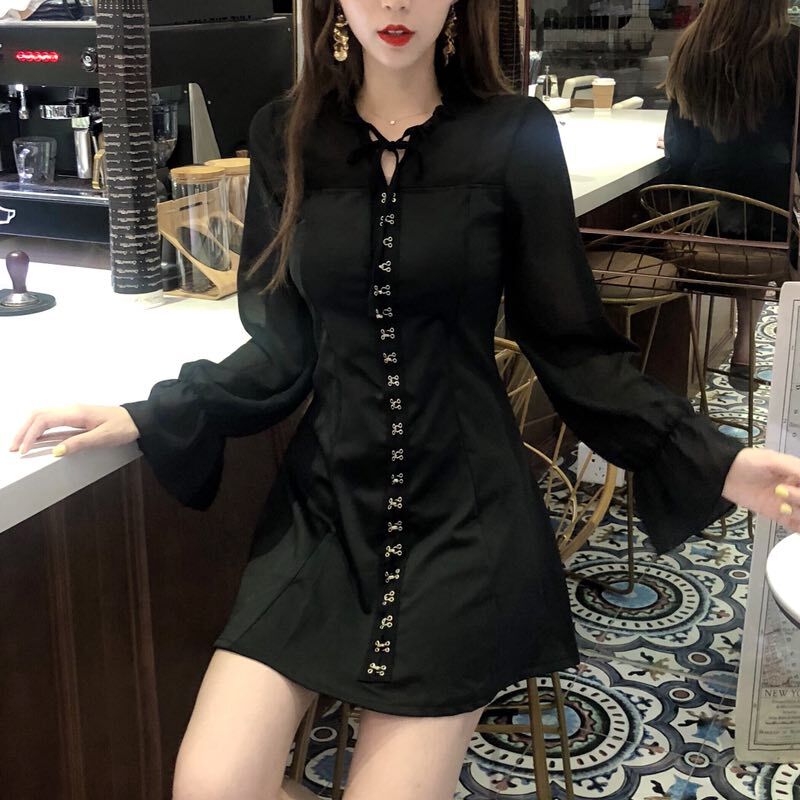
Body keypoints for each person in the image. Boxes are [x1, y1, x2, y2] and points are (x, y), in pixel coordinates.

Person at [10, 2, 800, 798]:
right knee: (210, 786)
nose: (395, 4)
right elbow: (284, 350)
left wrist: (716, 461)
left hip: (466, 516)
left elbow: (572, 346)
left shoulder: (513, 135)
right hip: (325, 513)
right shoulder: (286, 133)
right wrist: (148, 414)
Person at [663, 0, 798, 386]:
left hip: (704, 223)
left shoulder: (692, 43)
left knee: (749, 234)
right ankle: (780, 359)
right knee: (773, 238)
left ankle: (744, 348)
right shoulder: (793, 46)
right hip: (771, 223)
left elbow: (678, 149)